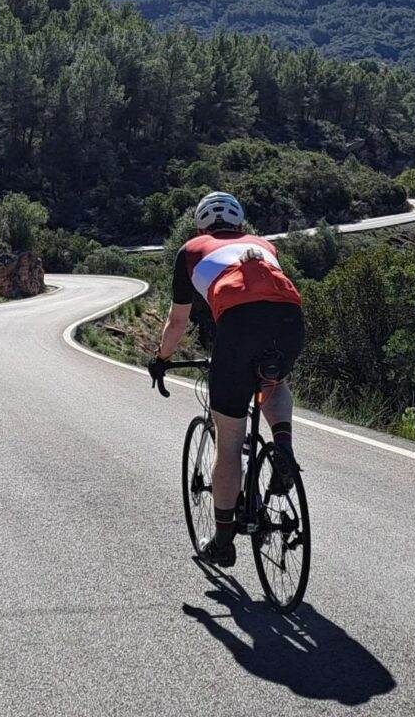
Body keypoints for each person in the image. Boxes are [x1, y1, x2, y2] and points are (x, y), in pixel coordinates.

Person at [148, 191, 305, 568]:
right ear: (240, 224)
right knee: (274, 382)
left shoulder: (190, 250)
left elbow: (178, 322)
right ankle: (282, 446)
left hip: (238, 327)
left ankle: (222, 540)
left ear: (202, 224)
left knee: (230, 439)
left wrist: (161, 359)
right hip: (290, 319)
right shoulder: (262, 244)